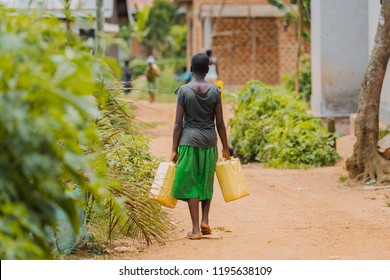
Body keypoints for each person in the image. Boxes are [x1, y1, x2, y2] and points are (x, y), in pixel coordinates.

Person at [169, 53, 230, 240]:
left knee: (191, 183)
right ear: (207, 70)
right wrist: (226, 148)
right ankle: (205, 220)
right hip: (210, 142)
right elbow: (220, 122)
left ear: (190, 70)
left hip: (188, 142)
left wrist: (173, 149)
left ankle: (195, 229)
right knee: (206, 180)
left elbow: (178, 124)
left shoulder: (184, 91)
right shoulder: (215, 92)